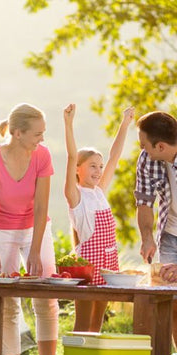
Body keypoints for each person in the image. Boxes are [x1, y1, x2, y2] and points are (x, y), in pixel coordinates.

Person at [0, 103, 58, 355]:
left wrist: (35, 249)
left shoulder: (42, 155)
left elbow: (42, 205)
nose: (42, 139)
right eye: (38, 133)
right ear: (18, 133)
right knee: (8, 302)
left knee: (46, 299)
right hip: (2, 230)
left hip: (36, 228)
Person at [63, 104, 135, 332]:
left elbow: (115, 156)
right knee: (83, 322)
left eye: (100, 166)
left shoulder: (99, 192)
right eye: (92, 166)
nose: (98, 170)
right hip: (88, 267)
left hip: (108, 266)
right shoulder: (75, 195)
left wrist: (125, 123)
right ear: (77, 169)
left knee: (98, 321)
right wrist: (68, 124)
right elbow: (71, 155)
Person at [134, 110, 177, 355]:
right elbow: (144, 202)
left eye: (144, 145)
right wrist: (147, 237)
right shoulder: (149, 160)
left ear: (160, 146)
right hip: (171, 236)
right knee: (173, 302)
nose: (142, 150)